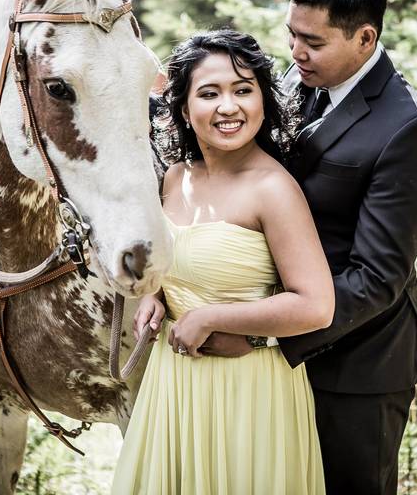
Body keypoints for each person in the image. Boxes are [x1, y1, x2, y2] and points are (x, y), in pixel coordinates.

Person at [198, 0, 417, 494]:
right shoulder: (297, 78)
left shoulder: (408, 126)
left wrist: (263, 335)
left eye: (313, 41)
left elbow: (378, 277)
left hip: (358, 366)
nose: (295, 52)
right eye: (291, 35)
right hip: (277, 348)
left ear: (364, 37)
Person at [112, 29, 334, 495]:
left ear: (263, 101)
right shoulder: (174, 178)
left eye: (243, 90)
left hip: (249, 393)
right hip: (173, 386)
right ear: (184, 108)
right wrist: (156, 292)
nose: (228, 107)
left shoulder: (273, 189)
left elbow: (316, 306)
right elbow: (176, 256)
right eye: (209, 93)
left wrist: (211, 317)